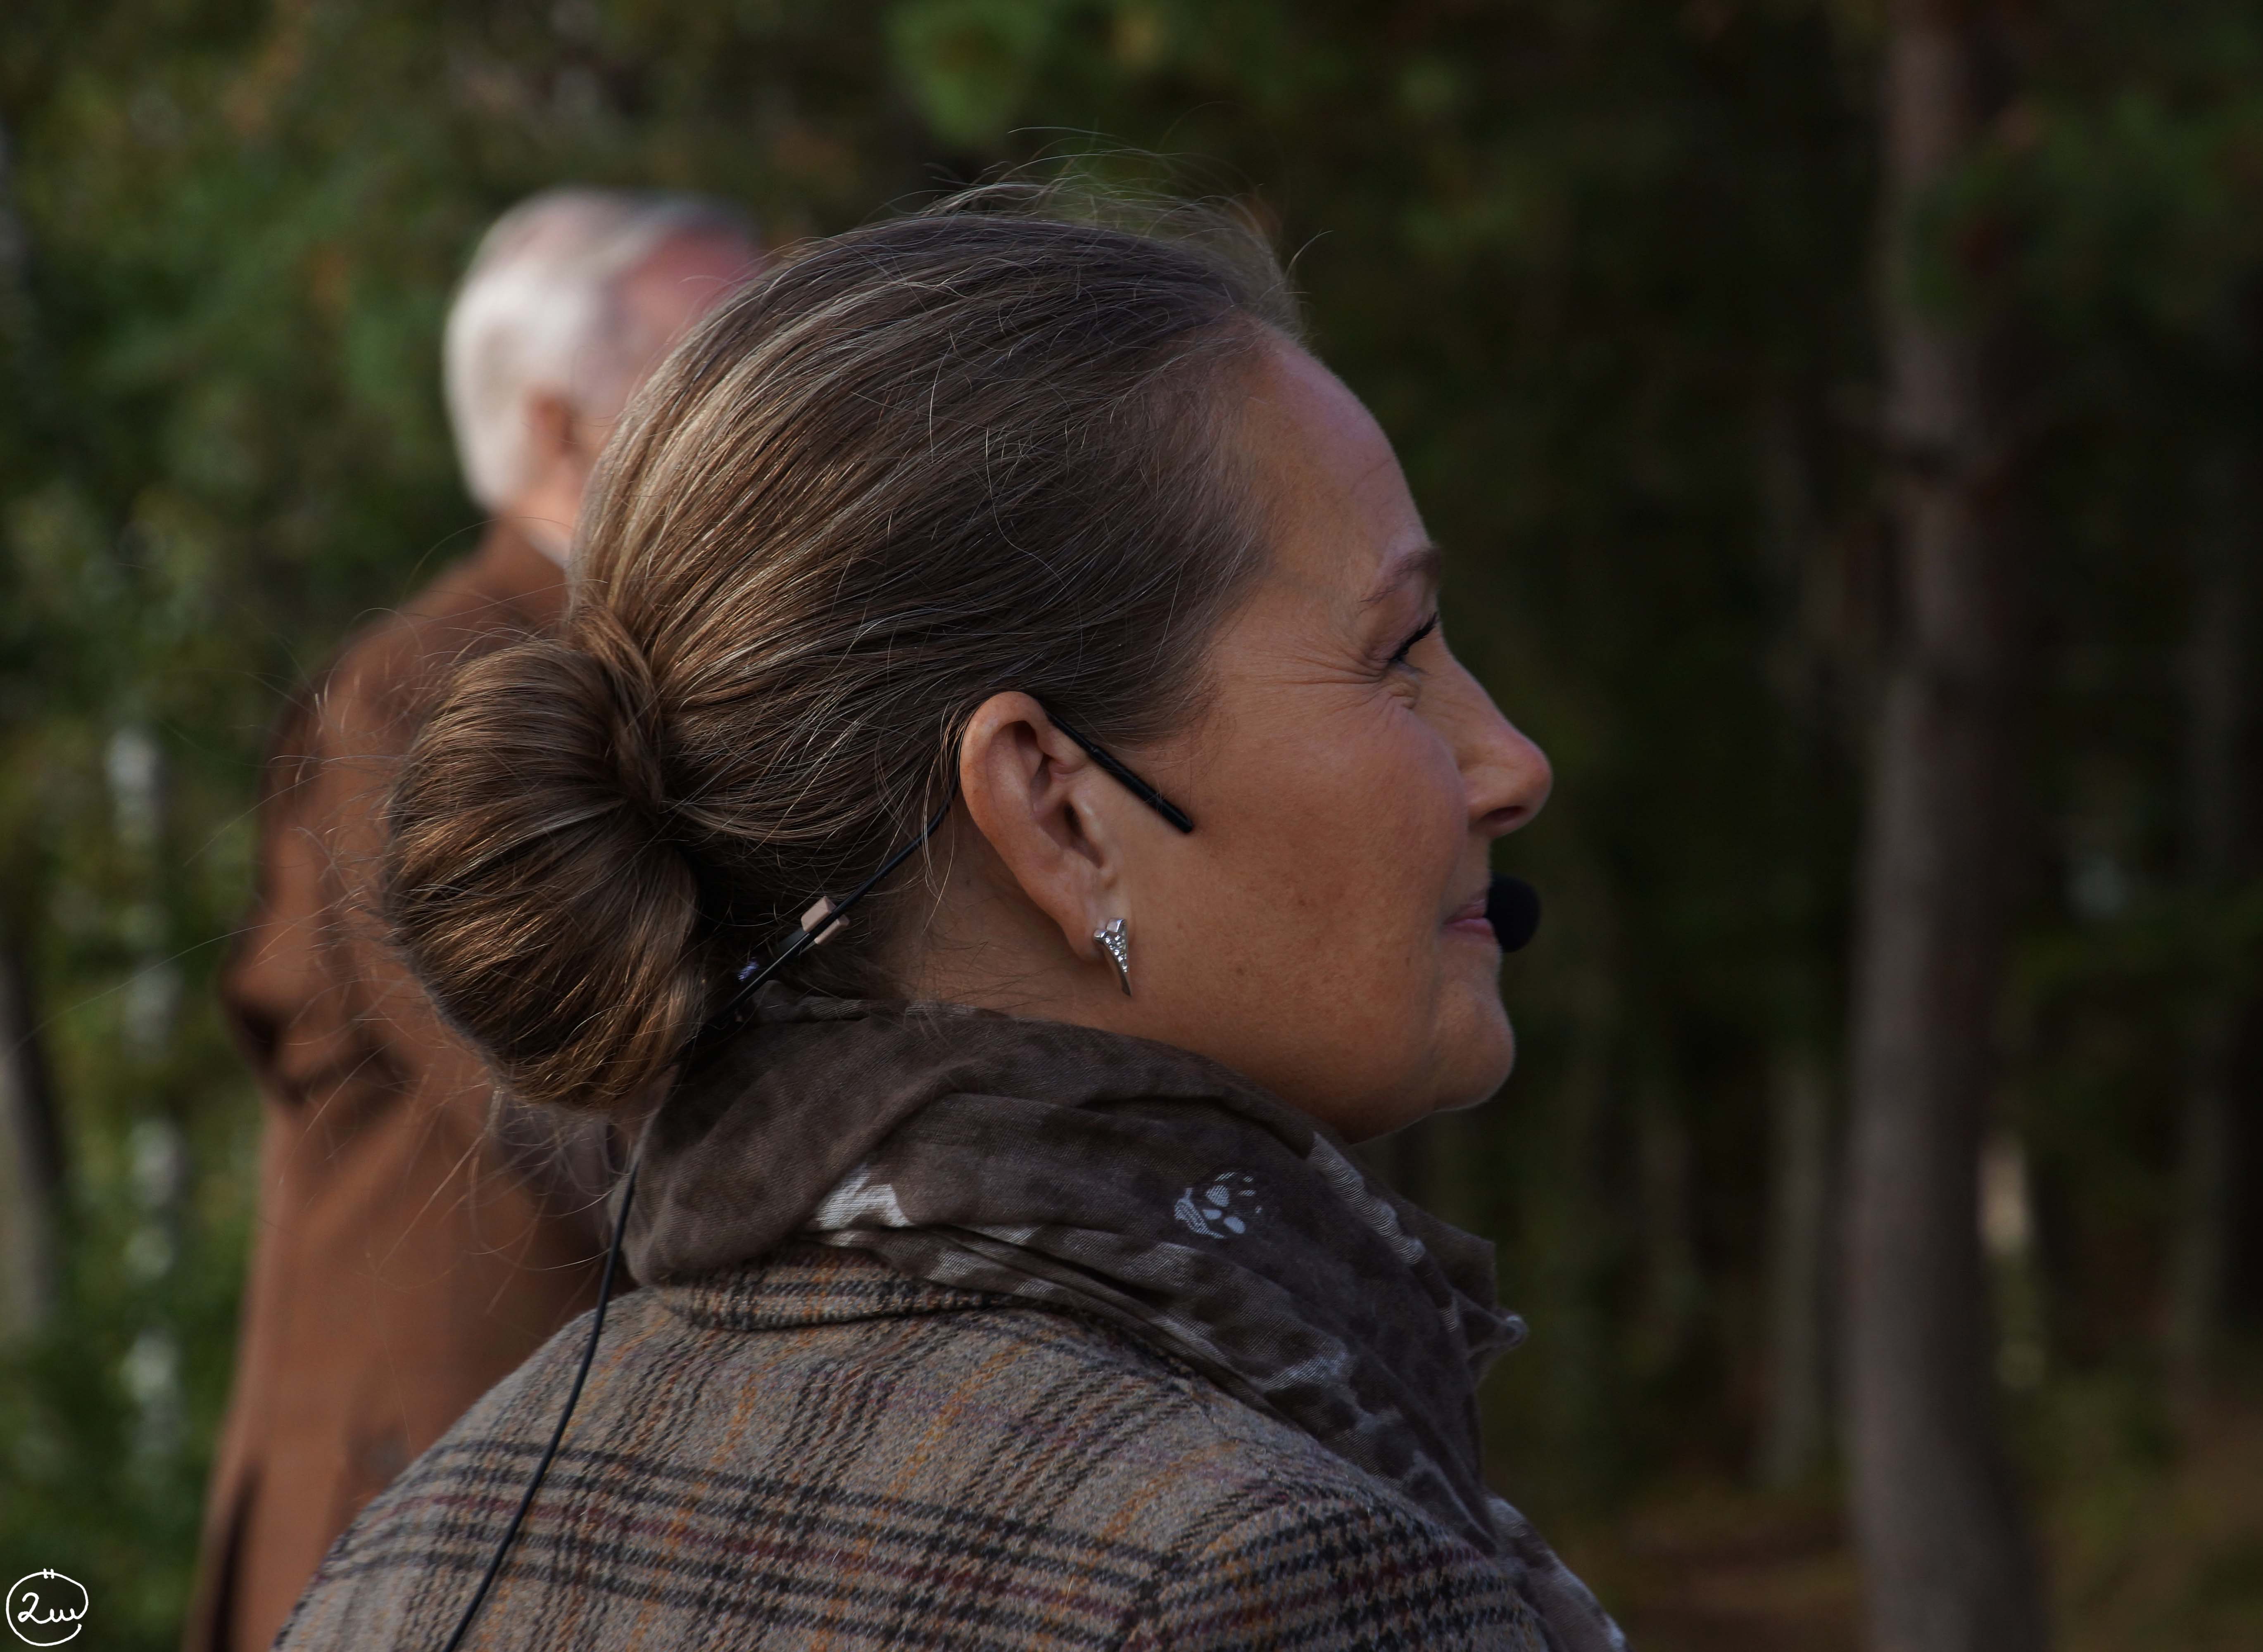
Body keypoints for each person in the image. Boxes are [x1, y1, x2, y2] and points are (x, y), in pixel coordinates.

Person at [276, 191, 1625, 1651]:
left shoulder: (403, 1563)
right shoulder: (1266, 1578)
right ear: (1059, 814)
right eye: (1397, 653)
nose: (1512, 765)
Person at [188, 188, 760, 1652]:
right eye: (723, 364)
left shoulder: (670, 666)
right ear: (564, 428)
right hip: (437, 1523)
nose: (779, 407)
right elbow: (561, 1087)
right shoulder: (433, 688)